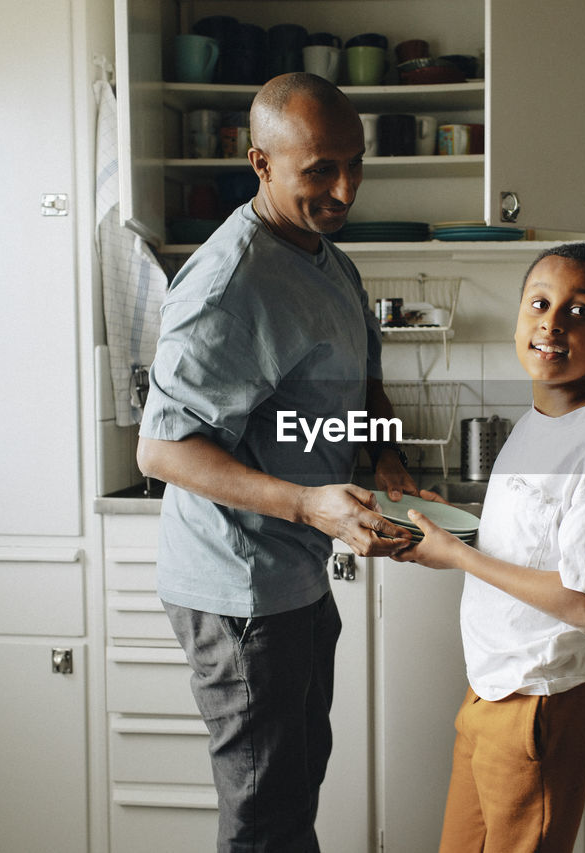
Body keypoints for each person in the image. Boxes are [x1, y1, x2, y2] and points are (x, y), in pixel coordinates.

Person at [136, 72, 432, 852]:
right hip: (239, 588)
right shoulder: (229, 281)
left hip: (292, 572)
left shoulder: (330, 260)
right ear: (259, 161)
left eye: (355, 165)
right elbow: (162, 447)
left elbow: (361, 380)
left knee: (297, 787)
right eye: (321, 170)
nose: (345, 189)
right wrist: (309, 505)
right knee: (267, 814)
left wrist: (386, 456)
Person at [396, 243, 585, 853]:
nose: (552, 322)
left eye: (579, 311)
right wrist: (449, 523)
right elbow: (533, 538)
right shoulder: (538, 420)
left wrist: (456, 556)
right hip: (495, 684)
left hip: (546, 698)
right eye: (540, 303)